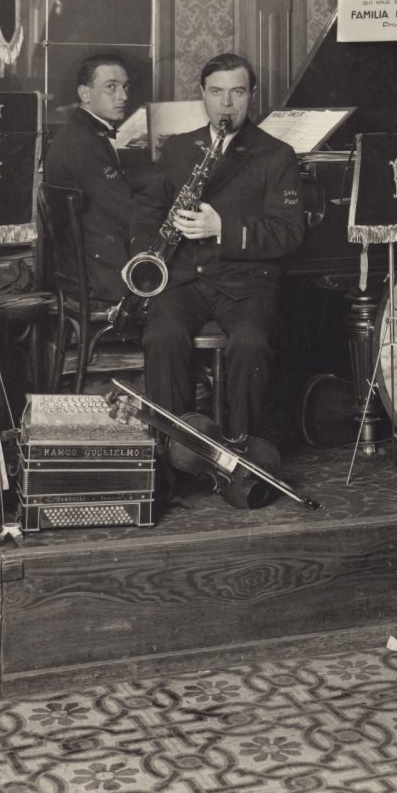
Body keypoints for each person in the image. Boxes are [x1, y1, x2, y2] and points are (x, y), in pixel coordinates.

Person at [133, 53, 306, 480]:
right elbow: (143, 211)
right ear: (203, 96)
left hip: (246, 282)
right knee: (162, 335)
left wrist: (222, 227)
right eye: (216, 92)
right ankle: (169, 455)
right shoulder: (176, 148)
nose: (226, 104)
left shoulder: (276, 154)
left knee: (249, 343)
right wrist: (150, 252)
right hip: (184, 278)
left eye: (237, 92)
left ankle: (242, 455)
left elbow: (289, 233)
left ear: (251, 96)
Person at [42, 54, 138, 302]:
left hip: (82, 260)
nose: (124, 96)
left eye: (125, 86)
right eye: (111, 87)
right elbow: (127, 210)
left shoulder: (82, 131)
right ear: (85, 94)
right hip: (95, 271)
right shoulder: (83, 142)